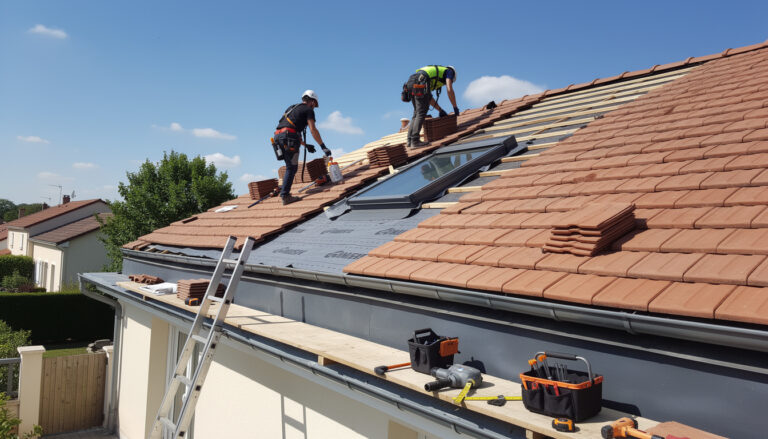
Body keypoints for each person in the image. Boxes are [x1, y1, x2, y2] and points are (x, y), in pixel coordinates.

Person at [274, 90, 332, 205]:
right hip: (288, 138)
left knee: (290, 166)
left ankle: (285, 193)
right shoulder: (308, 110)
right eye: (315, 104)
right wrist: (323, 146)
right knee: (292, 168)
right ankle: (285, 196)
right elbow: (313, 130)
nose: (314, 107)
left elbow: (290, 127)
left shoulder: (292, 108)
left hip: (278, 137)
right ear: (313, 102)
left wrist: (305, 145)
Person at [405, 65, 460, 148]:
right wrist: (455, 107)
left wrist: (440, 110)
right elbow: (449, 89)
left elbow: (429, 98)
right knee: (421, 112)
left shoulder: (433, 76)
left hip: (411, 82)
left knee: (416, 113)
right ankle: (415, 141)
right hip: (420, 81)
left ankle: (410, 141)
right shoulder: (449, 72)